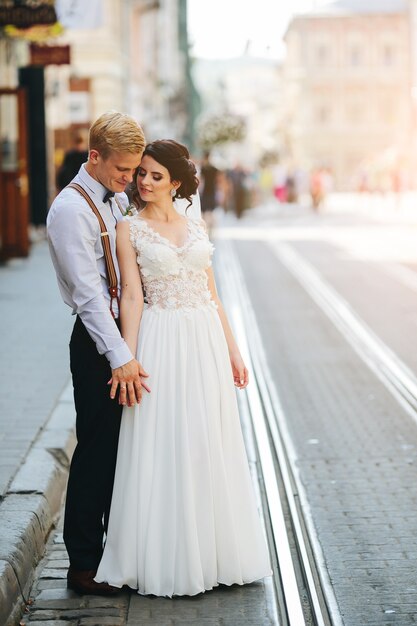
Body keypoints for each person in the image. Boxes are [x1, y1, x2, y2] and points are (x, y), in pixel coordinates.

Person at [95, 139, 272, 597]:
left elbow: (212, 294)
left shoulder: (195, 224)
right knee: (162, 439)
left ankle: (212, 553)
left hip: (204, 341)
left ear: (176, 182)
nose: (145, 182)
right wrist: (128, 360)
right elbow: (132, 296)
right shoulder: (128, 229)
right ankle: (160, 556)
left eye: (155, 175)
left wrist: (233, 350)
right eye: (141, 174)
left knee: (203, 438)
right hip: (160, 338)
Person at [47, 111, 148, 596]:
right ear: (94, 156)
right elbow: (88, 295)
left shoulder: (115, 199)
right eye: (121, 170)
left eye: (132, 171)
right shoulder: (71, 210)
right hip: (97, 344)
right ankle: (83, 565)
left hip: (122, 337)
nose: (128, 179)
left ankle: (114, 552)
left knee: (123, 450)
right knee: (97, 451)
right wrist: (119, 356)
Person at [199, 150, 218, 234]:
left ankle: (206, 229)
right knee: (209, 211)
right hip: (211, 191)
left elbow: (200, 181)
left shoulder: (203, 168)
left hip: (205, 192)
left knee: (205, 212)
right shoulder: (214, 169)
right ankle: (209, 229)